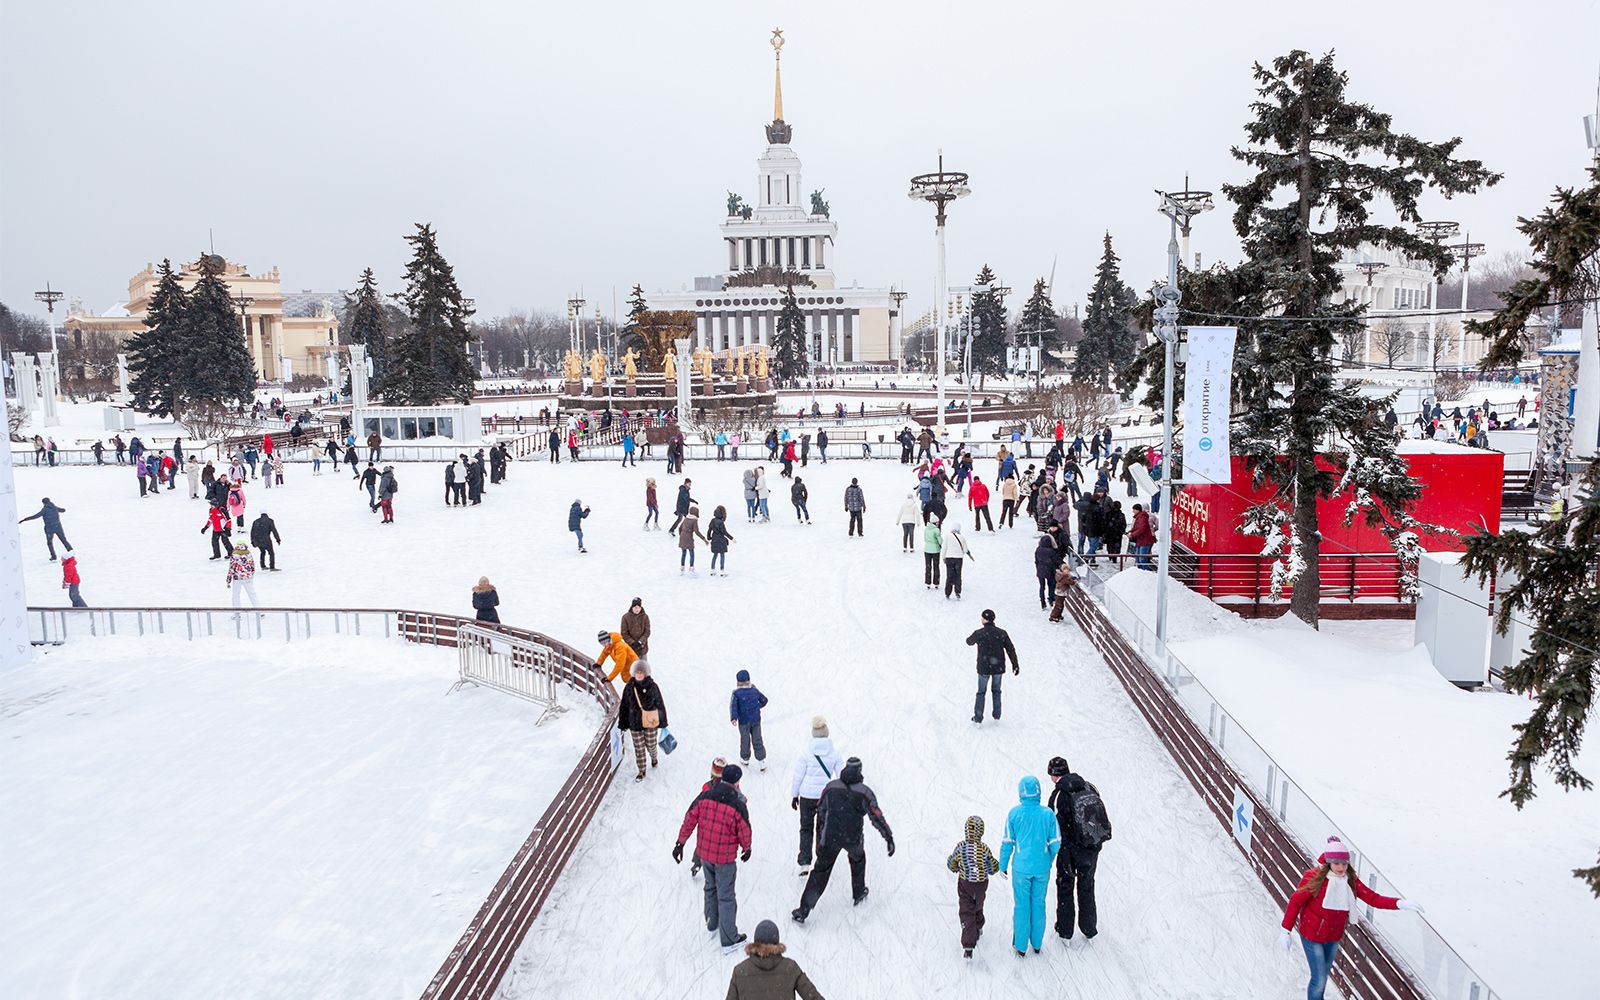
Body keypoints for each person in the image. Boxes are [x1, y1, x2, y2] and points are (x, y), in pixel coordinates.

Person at [1281, 838, 1422, 1000]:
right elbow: (1295, 901)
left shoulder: (1350, 881)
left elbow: (1373, 899)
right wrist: (1285, 930)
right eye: (1336, 863)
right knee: (1319, 980)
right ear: (1328, 863)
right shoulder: (1314, 877)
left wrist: (1400, 903)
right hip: (1312, 936)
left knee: (1323, 978)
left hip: (1332, 937)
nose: (1341, 867)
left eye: (1344, 863)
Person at [791, 756, 893, 924]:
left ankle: (803, 910)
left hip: (830, 838)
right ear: (860, 771)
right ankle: (859, 892)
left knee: (820, 872)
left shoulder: (831, 787)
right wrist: (888, 836)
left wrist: (820, 840)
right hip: (853, 838)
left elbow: (821, 812)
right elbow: (876, 816)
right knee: (858, 859)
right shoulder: (863, 791)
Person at [673, 762, 751, 953]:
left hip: (705, 853)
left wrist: (680, 843)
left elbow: (690, 818)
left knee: (710, 887)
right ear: (737, 781)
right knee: (726, 896)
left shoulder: (705, 796)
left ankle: (711, 921)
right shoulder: (737, 804)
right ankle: (729, 939)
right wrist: (746, 848)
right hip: (724, 858)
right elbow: (745, 830)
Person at [1046, 756, 1111, 941]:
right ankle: (1089, 928)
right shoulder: (1088, 786)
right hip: (1091, 847)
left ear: (1053, 775)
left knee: (1065, 887)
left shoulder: (1058, 795)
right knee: (1087, 886)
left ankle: (1065, 930)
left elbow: (1054, 826)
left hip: (1070, 850)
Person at [999, 776, 1061, 956]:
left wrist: (1003, 865)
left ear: (1021, 792)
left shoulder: (1014, 814)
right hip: (1041, 868)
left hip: (1021, 869)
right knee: (1038, 903)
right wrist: (1047, 859)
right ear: (1038, 791)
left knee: (1022, 906)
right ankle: (1037, 943)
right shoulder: (1047, 814)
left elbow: (1007, 842)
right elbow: (1056, 842)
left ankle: (1020, 945)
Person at [725, 919, 825, 1000]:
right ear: (777, 942)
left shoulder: (740, 971)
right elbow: (813, 997)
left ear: (755, 943)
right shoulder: (790, 967)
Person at [947, 815, 1000, 959]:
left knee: (966, 910)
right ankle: (979, 925)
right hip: (981, 884)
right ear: (981, 832)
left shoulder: (961, 847)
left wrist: (953, 866)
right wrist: (991, 868)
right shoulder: (984, 848)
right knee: (978, 904)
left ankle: (968, 945)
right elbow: (993, 866)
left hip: (966, 883)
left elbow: (953, 862)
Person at [966, 609, 1018, 723]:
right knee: (996, 690)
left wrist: (974, 638)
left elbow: (969, 641)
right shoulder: (1002, 633)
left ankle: (978, 718)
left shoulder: (979, 633)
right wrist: (1015, 664)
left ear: (985, 619)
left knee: (981, 692)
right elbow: (1010, 649)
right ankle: (997, 715)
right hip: (998, 667)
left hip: (984, 667)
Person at [620, 660, 668, 780]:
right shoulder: (629, 687)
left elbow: (659, 703)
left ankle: (654, 757)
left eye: (641, 672)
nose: (639, 674)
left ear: (646, 673)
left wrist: (663, 721)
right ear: (633, 673)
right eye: (637, 672)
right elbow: (624, 706)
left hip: (650, 722)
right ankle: (641, 771)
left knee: (651, 744)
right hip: (635, 723)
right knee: (639, 748)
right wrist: (623, 723)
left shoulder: (652, 686)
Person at [730, 668, 768, 769]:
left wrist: (734, 718)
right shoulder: (754, 691)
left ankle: (745, 759)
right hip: (756, 720)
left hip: (743, 721)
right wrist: (757, 706)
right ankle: (761, 760)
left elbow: (733, 706)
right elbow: (764, 700)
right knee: (757, 739)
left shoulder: (736, 693)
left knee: (745, 740)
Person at [226, 541, 260, 614]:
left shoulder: (235, 554)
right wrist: (251, 575)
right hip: (248, 577)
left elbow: (232, 567)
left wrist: (228, 579)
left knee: (236, 595)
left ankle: (237, 613)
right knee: (252, 594)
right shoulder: (248, 553)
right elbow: (252, 566)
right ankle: (259, 611)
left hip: (237, 577)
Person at [940, 522, 971, 599]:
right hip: (958, 559)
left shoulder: (947, 537)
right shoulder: (962, 537)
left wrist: (943, 557)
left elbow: (944, 548)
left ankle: (948, 592)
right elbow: (964, 550)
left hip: (949, 558)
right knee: (958, 575)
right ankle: (957, 591)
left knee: (949, 575)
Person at [1034, 534, 1063, 609]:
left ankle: (1042, 602)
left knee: (1042, 587)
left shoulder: (1038, 549)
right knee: (1051, 585)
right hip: (1050, 571)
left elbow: (1036, 561)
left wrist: (1038, 568)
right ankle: (1051, 599)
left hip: (1040, 571)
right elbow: (1057, 560)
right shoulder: (1051, 551)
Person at [678, 504, 708, 574]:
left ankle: (682, 568)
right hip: (689, 537)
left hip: (682, 537)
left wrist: (681, 536)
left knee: (683, 553)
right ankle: (691, 568)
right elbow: (697, 532)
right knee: (691, 553)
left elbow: (680, 528)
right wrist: (704, 539)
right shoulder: (694, 520)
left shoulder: (686, 518)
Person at [708, 504, 735, 576]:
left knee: (715, 555)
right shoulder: (721, 522)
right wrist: (732, 538)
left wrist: (709, 537)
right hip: (721, 540)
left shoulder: (712, 521)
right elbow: (724, 532)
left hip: (714, 539)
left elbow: (709, 530)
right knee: (722, 555)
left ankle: (712, 569)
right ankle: (722, 570)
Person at [1048, 557, 1077, 623]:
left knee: (1060, 604)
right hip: (1061, 592)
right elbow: (1069, 582)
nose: (1067, 571)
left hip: (1061, 591)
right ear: (1062, 570)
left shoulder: (1063, 575)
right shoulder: (1063, 577)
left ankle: (1058, 615)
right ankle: (1054, 616)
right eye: (1065, 569)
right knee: (1059, 605)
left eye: (1067, 569)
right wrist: (1074, 581)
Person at [1128, 503, 1155, 570]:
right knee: (1138, 559)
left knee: (1142, 560)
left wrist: (1132, 534)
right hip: (1140, 540)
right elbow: (1136, 527)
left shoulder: (1142, 518)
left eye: (1134, 509)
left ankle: (1148, 573)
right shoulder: (1139, 517)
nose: (1133, 511)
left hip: (1145, 541)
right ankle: (1141, 574)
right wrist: (1130, 532)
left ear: (1137, 510)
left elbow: (1141, 529)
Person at [923, 514, 944, 589]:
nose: (938, 523)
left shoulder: (926, 529)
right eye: (937, 522)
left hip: (927, 550)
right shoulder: (936, 530)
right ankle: (936, 582)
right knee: (936, 566)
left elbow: (925, 539)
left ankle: (928, 582)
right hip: (935, 550)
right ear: (934, 522)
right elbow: (940, 541)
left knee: (928, 566)